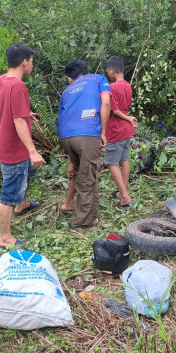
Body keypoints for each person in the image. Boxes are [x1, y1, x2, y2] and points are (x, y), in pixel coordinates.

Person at [0, 43, 46, 248]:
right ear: (24, 62)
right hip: (15, 150)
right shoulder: (18, 86)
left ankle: (21, 204)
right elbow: (18, 121)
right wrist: (33, 151)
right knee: (9, 192)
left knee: (27, 174)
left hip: (3, 144)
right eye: (31, 61)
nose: (32, 65)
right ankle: (4, 237)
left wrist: (24, 113)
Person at [57, 59, 110, 229]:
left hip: (66, 137)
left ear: (70, 78)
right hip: (87, 134)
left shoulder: (66, 91)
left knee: (82, 172)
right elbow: (106, 103)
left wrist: (70, 159)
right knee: (89, 177)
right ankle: (83, 222)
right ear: (86, 72)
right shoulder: (98, 79)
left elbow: (62, 117)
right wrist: (102, 131)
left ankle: (80, 211)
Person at [104, 56, 138, 210]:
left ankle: (124, 197)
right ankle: (122, 191)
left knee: (111, 162)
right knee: (124, 160)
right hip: (126, 131)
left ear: (111, 71)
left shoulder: (111, 87)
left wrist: (128, 118)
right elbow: (126, 106)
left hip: (116, 130)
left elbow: (115, 110)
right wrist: (129, 118)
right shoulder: (127, 86)